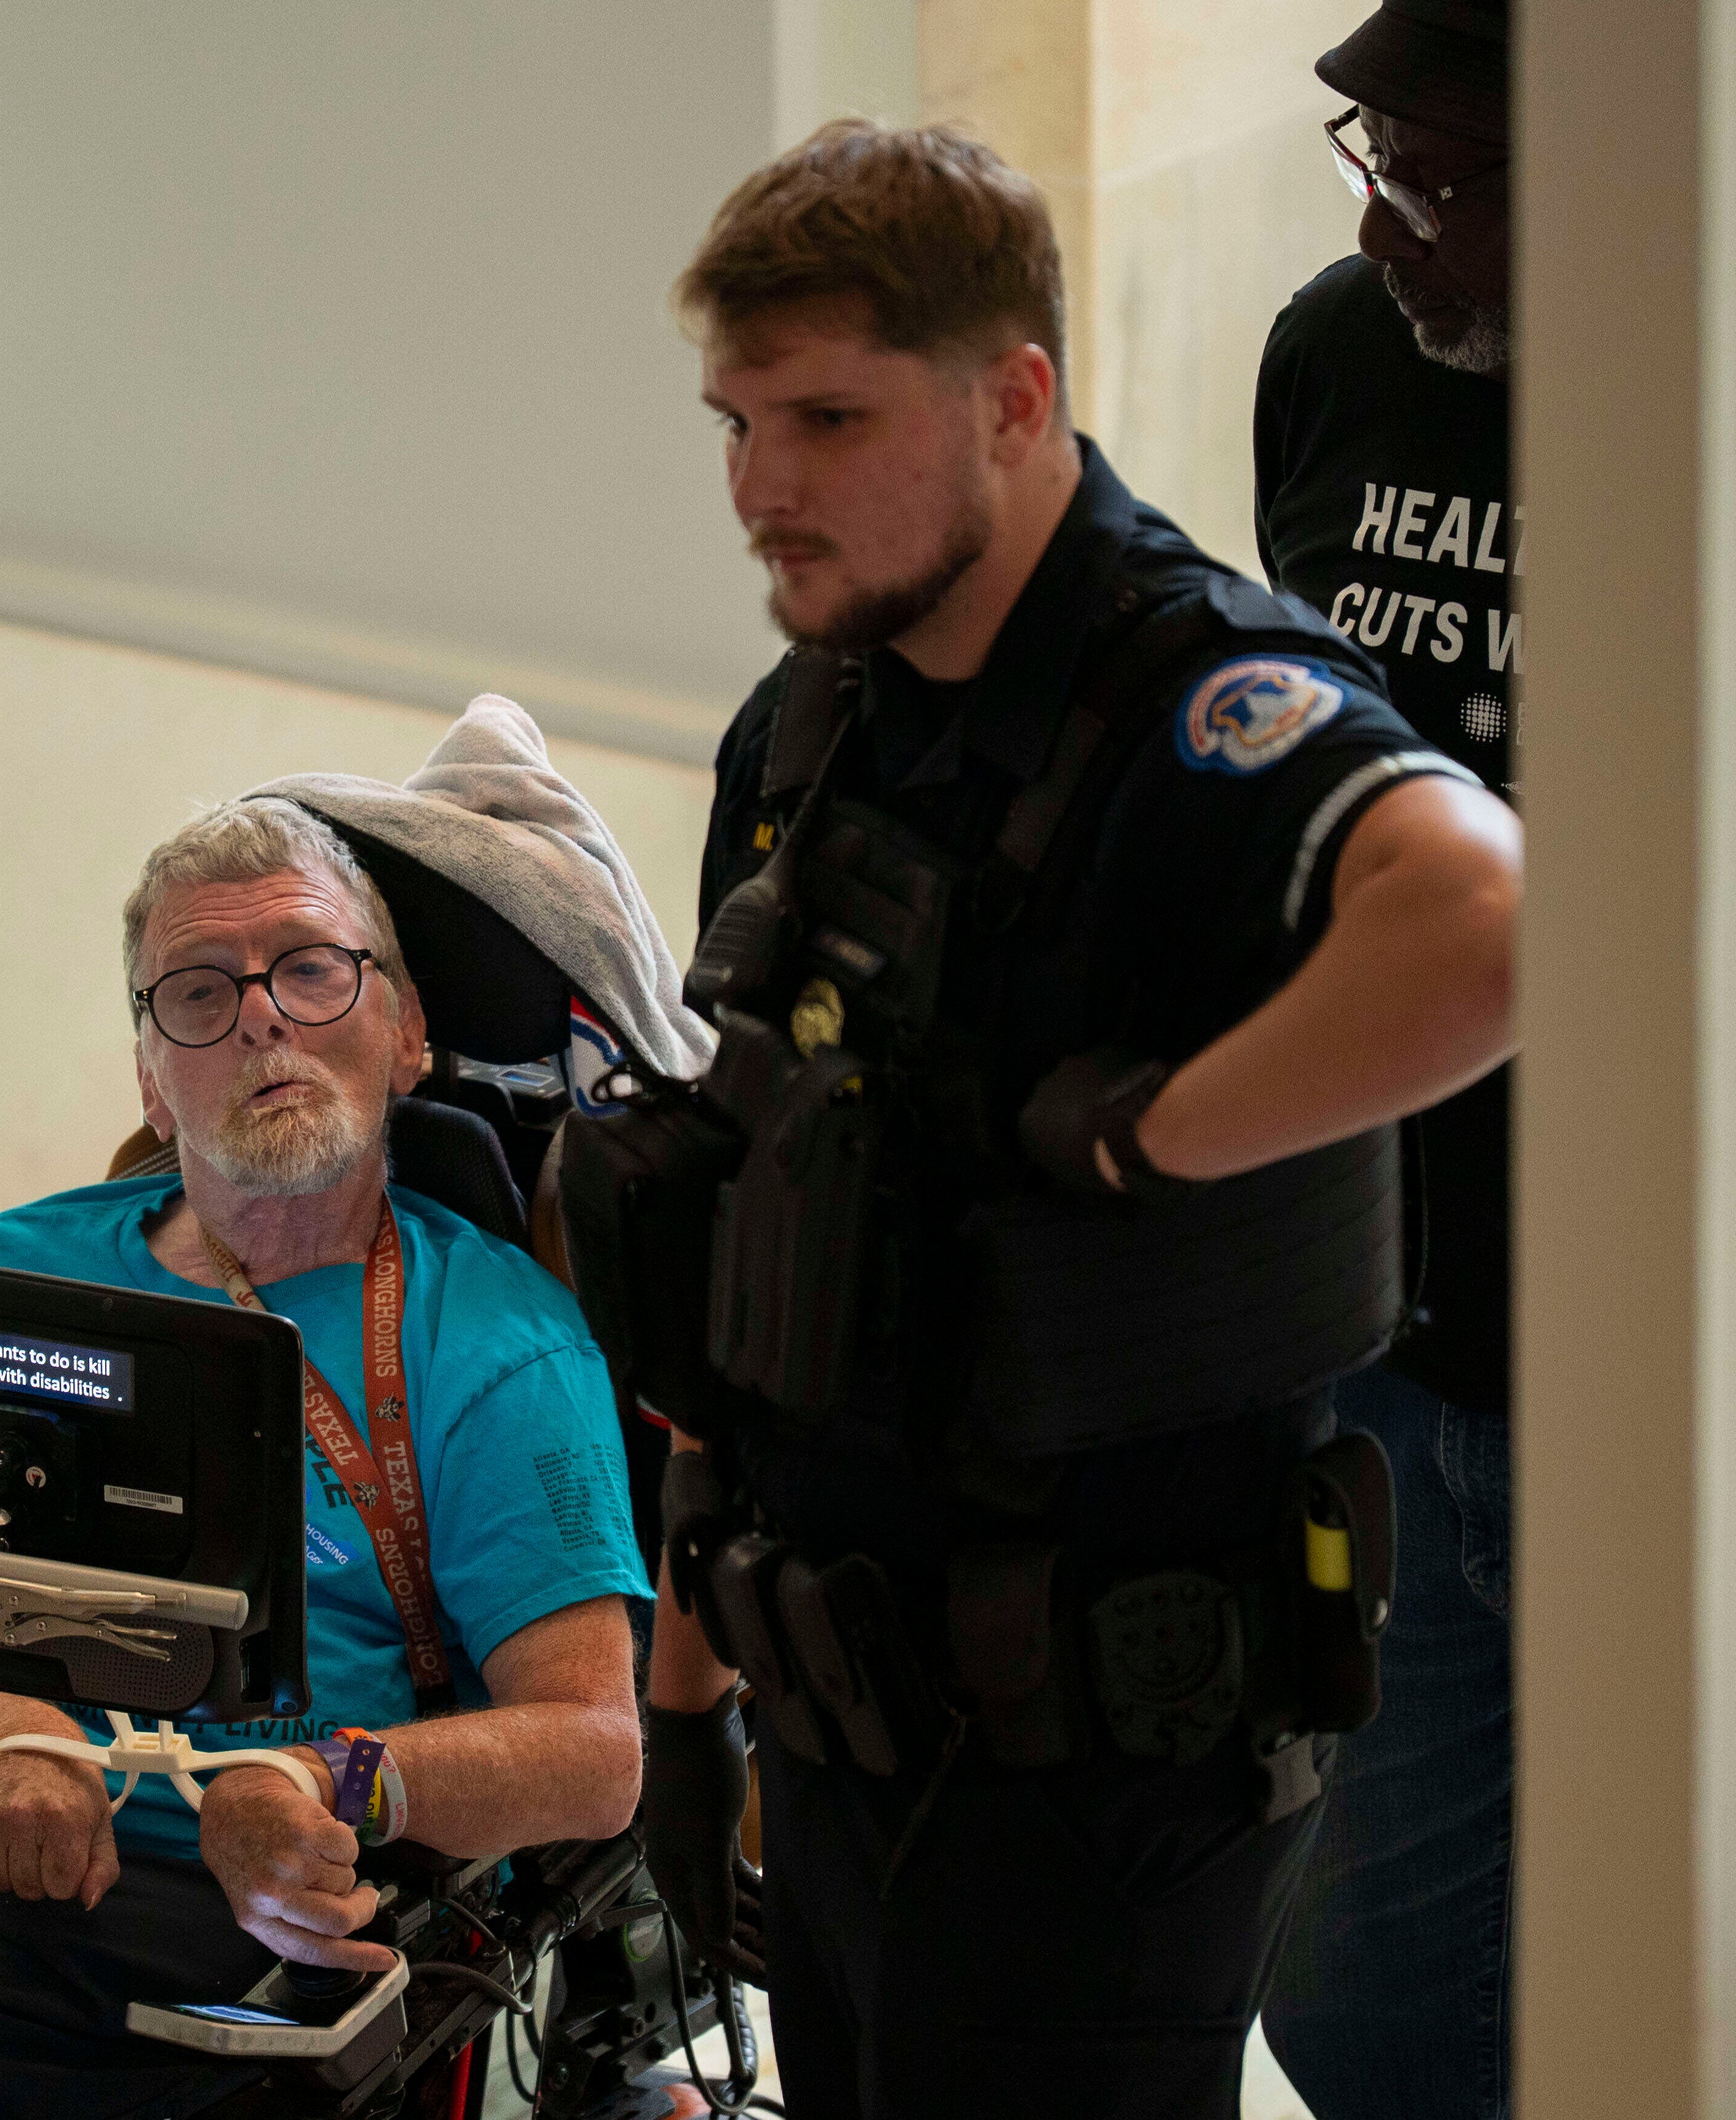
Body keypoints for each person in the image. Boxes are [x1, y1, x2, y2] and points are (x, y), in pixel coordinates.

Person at [624, 122, 1522, 2117]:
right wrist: (682, 1705)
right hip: (831, 1727)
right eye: (735, 419)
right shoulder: (815, 715)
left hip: (1090, 1787)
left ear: (1011, 397)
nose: (762, 487)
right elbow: (733, 1223)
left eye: (828, 417)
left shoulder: (1190, 702)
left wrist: (1145, 1140)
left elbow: (1481, 922)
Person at [0, 799, 656, 2120]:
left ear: (407, 1030)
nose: (261, 1016)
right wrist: (14, 1738)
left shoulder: (495, 1343)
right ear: (150, 1074)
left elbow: (594, 1752)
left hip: (231, 1870)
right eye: (200, 990)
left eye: (312, 967)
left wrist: (318, 1778)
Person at [1250, 7, 1516, 2116]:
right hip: (1377, 1328)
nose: (1397, 229)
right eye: (1374, 160)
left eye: (1453, 182)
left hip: (1655, 1382)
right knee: (1358, 2010)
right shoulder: (1331, 356)